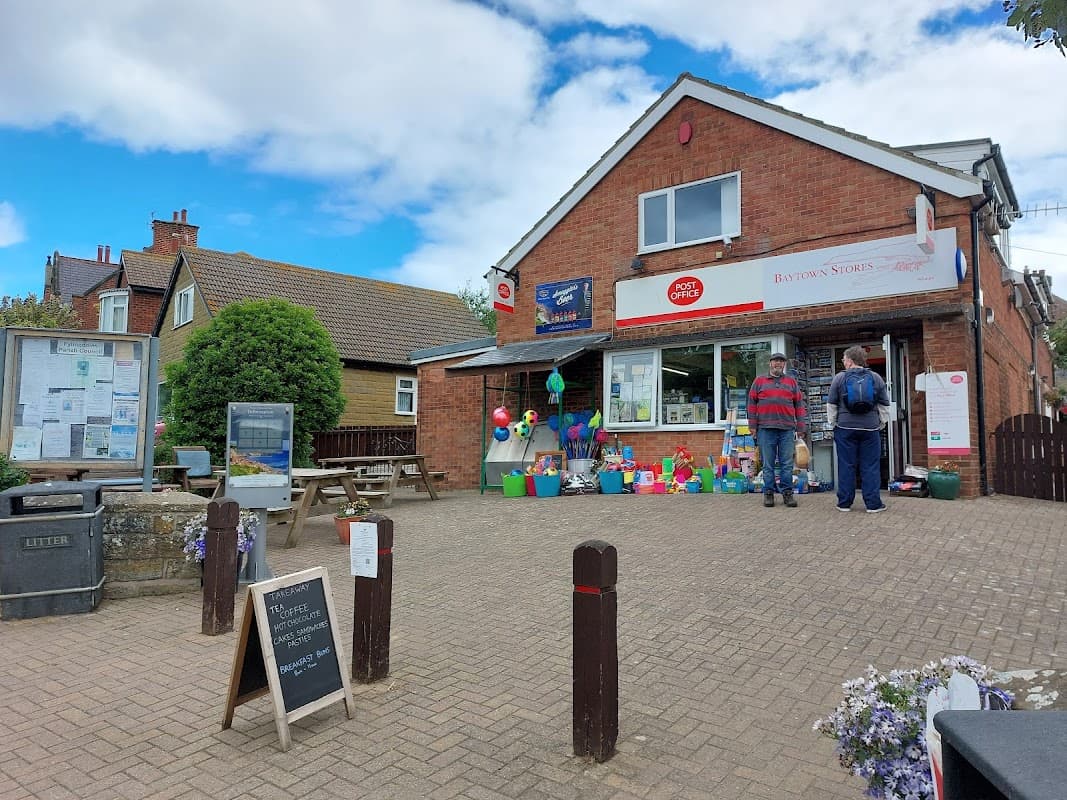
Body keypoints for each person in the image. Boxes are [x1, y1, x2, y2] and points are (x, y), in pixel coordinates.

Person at [827, 345, 891, 513]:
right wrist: (881, 423)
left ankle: (844, 503)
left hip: (845, 427)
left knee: (846, 465)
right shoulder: (875, 377)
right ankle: (873, 504)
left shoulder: (839, 378)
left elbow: (831, 404)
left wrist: (833, 423)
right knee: (870, 466)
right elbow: (884, 405)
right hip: (870, 428)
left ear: (849, 361)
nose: (843, 362)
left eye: (844, 359)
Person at [748, 352, 806, 507]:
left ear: (784, 364)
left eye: (781, 361)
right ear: (770, 363)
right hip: (765, 429)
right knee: (768, 465)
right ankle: (768, 493)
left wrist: (801, 426)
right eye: (775, 361)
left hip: (787, 429)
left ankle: (788, 494)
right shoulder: (759, 381)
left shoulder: (791, 382)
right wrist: (752, 426)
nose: (778, 364)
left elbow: (799, 405)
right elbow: (751, 404)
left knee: (787, 464)